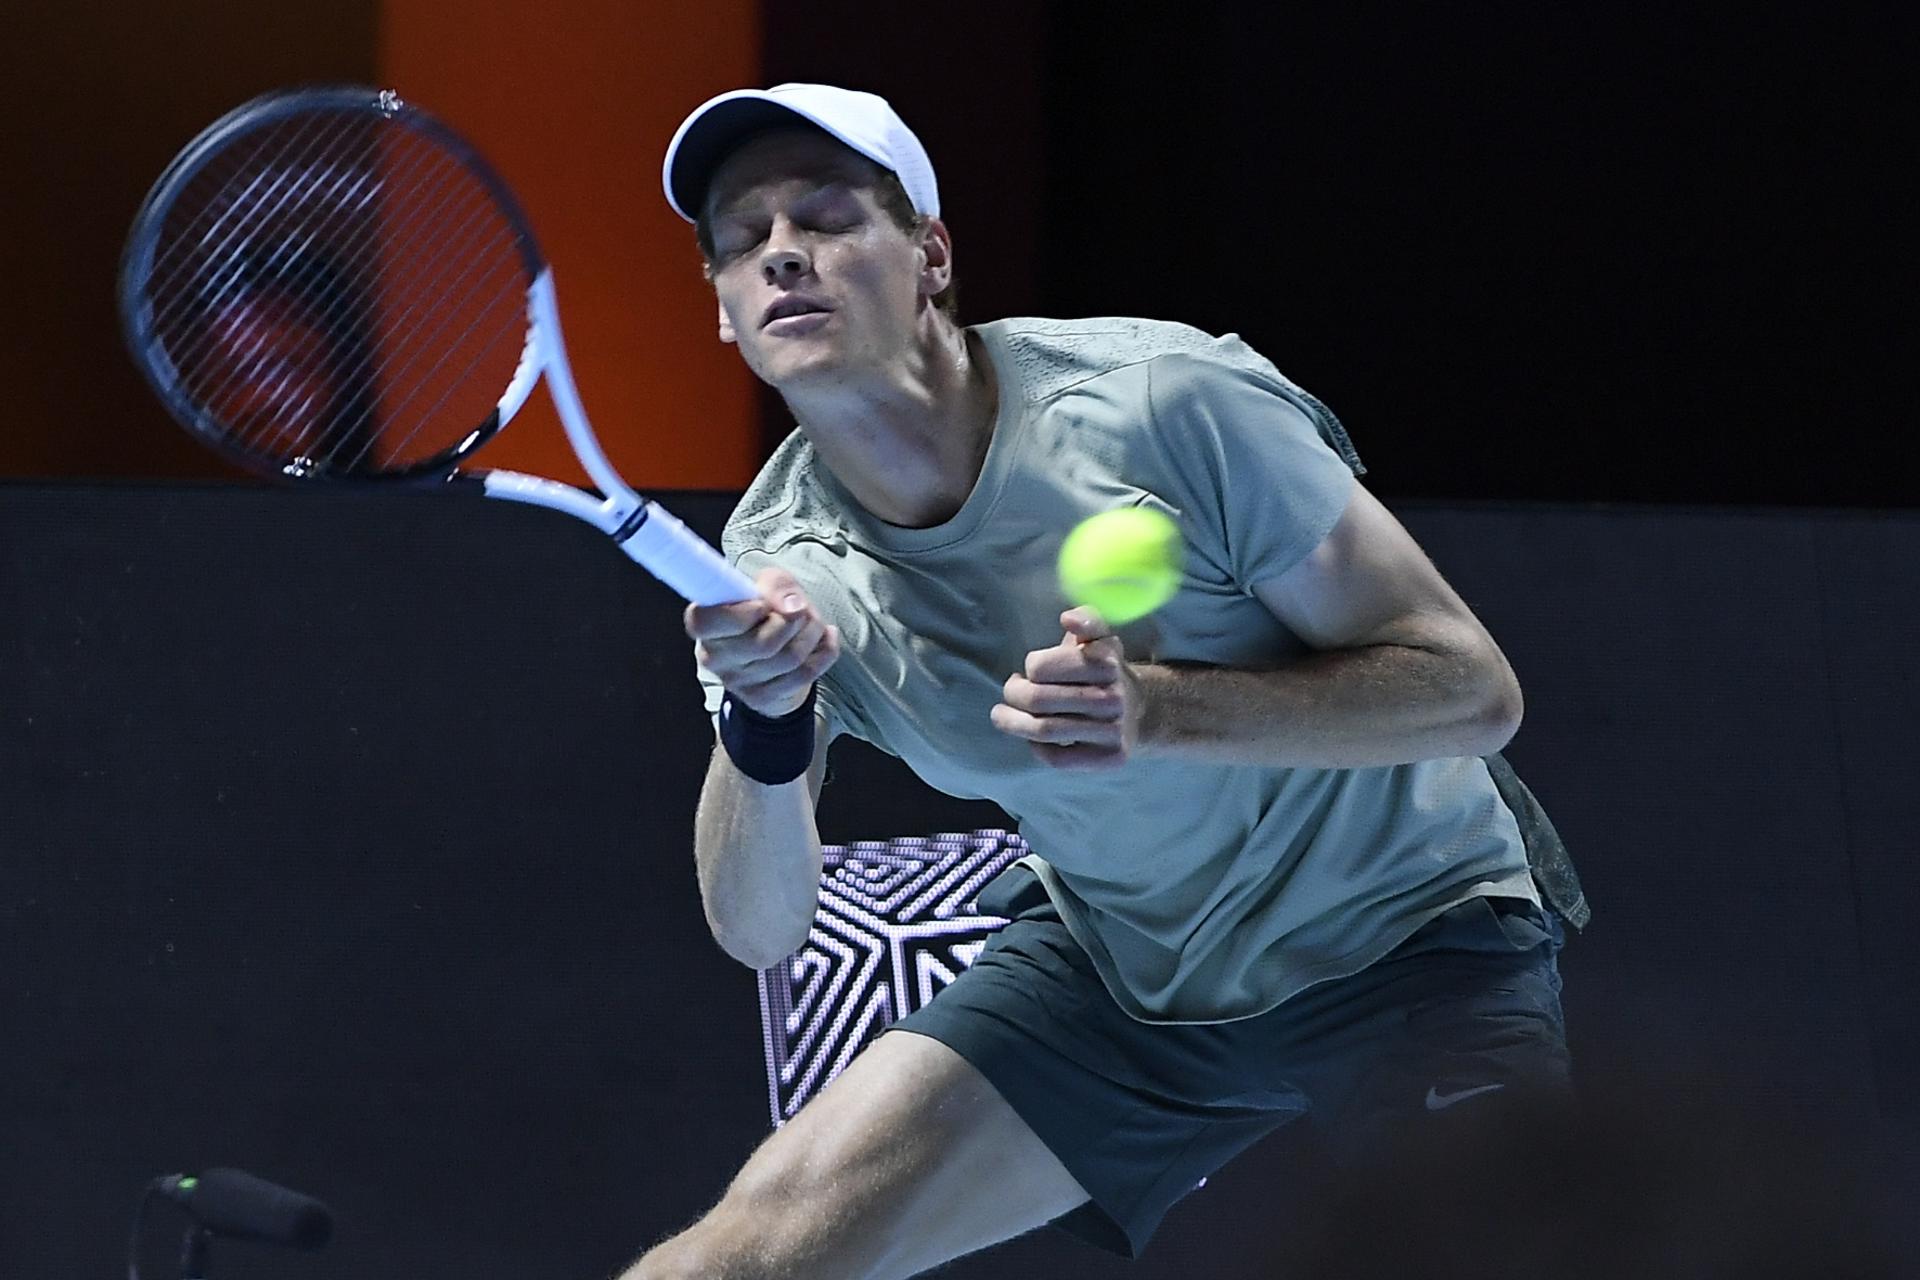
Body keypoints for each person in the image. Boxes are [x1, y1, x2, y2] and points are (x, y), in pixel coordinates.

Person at [633, 83, 1588, 1279]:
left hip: (1413, 937)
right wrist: (764, 730)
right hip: (1125, 972)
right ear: (724, 310)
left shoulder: (1164, 404)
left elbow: (1471, 690)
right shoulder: (780, 566)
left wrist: (1169, 709)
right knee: (734, 1262)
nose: (783, 256)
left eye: (825, 219)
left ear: (930, 256)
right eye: (743, 239)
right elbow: (759, 924)